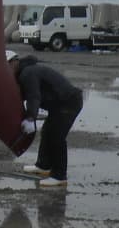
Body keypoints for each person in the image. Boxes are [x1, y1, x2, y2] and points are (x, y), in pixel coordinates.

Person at [7, 50, 83, 187]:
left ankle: (59, 176)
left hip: (68, 102)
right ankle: (43, 166)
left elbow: (33, 96)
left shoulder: (27, 73)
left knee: (56, 137)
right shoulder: (24, 73)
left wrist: (30, 118)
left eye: (7, 66)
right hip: (59, 104)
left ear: (14, 62)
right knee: (47, 132)